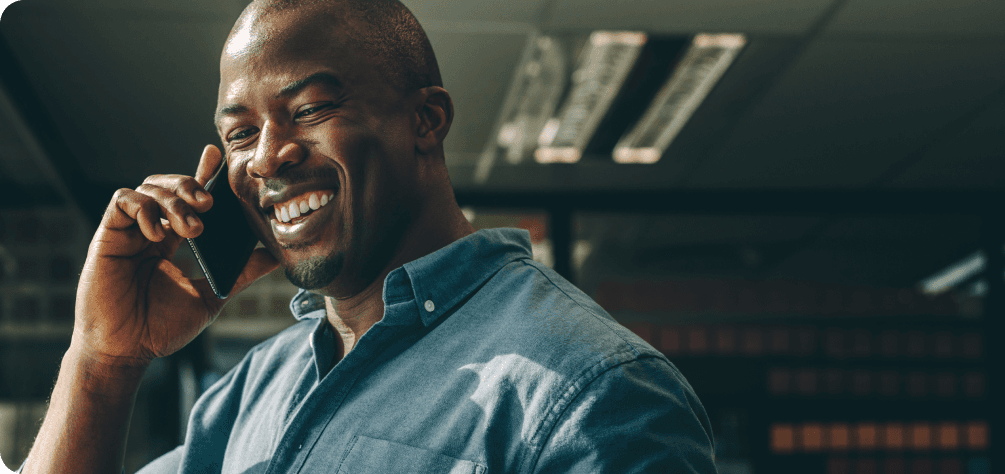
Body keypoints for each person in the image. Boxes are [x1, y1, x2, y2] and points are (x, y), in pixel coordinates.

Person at [17, 0, 717, 472]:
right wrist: (103, 361)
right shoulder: (252, 392)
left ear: (426, 120)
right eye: (239, 134)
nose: (265, 157)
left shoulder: (595, 392)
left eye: (310, 107)